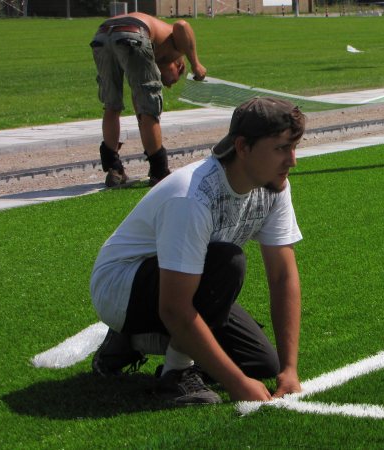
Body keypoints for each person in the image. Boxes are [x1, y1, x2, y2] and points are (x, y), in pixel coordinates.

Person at [89, 97, 305, 405]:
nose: (292, 160)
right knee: (227, 263)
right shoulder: (192, 195)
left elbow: (283, 276)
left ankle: (133, 341)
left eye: (294, 147)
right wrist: (236, 383)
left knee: (261, 363)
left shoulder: (272, 185)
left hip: (182, 279)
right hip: (121, 288)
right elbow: (174, 307)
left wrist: (289, 369)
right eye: (281, 148)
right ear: (243, 147)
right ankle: (174, 376)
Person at [90, 12, 207, 187]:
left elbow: (138, 100)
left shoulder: (154, 51)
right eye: (174, 79)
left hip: (102, 35)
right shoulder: (177, 48)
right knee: (150, 109)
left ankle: (114, 170)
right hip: (133, 33)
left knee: (111, 106)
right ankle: (159, 172)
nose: (168, 85)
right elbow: (182, 25)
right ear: (178, 65)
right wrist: (196, 64)